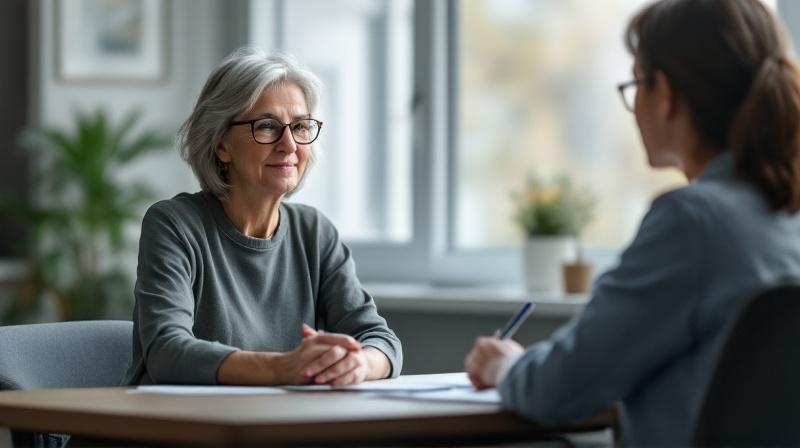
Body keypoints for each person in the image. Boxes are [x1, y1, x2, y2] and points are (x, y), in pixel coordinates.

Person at [465, 0, 800, 445]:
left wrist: (502, 365)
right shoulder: (783, 216)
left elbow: (558, 389)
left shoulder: (693, 222)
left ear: (666, 93)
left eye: (635, 83)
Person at [123, 48, 402, 387]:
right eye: (268, 126)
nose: (289, 144)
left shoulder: (315, 233)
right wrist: (279, 369)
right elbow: (167, 353)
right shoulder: (174, 224)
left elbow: (381, 340)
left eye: (300, 126)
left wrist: (357, 364)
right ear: (221, 144)